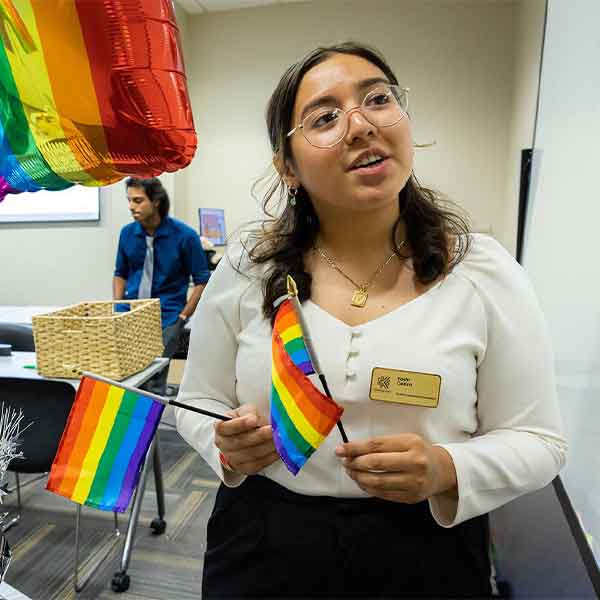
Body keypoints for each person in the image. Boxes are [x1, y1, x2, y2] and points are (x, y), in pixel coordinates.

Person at [175, 42, 567, 598]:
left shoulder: (481, 271)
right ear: (287, 167)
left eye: (378, 99)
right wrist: (226, 447)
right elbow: (199, 404)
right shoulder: (248, 269)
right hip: (263, 541)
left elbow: (539, 440)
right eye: (325, 117)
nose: (360, 125)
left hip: (425, 552)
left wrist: (447, 468)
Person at [113, 177, 210, 394]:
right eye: (129, 200)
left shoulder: (185, 236)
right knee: (127, 379)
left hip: (167, 317)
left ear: (156, 201)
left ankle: (149, 426)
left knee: (152, 382)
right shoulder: (127, 234)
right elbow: (120, 273)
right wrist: (117, 306)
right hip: (129, 315)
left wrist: (183, 318)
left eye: (138, 200)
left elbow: (202, 280)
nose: (131, 206)